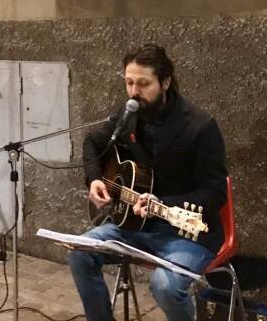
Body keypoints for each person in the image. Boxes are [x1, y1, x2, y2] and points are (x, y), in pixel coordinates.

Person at [68, 44, 227, 321]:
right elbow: (93, 142)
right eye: (129, 83)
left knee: (164, 286)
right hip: (133, 226)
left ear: (165, 82)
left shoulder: (200, 126)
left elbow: (215, 193)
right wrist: (94, 179)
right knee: (79, 253)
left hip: (186, 232)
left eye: (143, 84)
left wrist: (163, 203)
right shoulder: (129, 114)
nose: (133, 92)